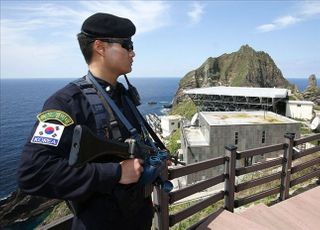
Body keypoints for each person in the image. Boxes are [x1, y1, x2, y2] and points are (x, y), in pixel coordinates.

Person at [18, 13, 155, 229]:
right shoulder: (65, 103)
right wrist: (116, 173)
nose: (133, 52)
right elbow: (33, 172)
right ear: (100, 47)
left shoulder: (124, 96)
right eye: (127, 45)